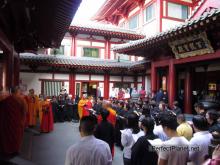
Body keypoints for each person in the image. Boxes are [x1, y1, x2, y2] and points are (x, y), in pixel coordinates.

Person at [0, 86, 27, 157]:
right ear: (17, 91)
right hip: (18, 122)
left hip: (7, 122)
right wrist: (23, 121)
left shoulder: (6, 100)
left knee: (7, 136)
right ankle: (16, 150)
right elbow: (24, 111)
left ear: (10, 92)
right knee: (17, 137)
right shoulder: (21, 100)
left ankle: (7, 150)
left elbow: (2, 112)